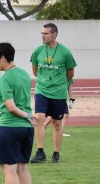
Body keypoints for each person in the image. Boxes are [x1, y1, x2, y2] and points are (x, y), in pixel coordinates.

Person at [0, 42, 37, 184]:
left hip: (10, 127)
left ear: (3, 58)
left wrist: (26, 115)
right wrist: (28, 117)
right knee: (22, 168)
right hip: (26, 129)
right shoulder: (25, 75)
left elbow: (10, 106)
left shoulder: (6, 78)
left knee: (9, 169)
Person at [30, 23, 77, 163]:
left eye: (46, 33)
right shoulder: (38, 51)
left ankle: (56, 153)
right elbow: (35, 70)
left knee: (57, 123)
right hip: (41, 90)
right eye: (42, 33)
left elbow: (70, 74)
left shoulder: (65, 52)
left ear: (54, 34)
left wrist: (59, 84)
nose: (42, 36)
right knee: (39, 118)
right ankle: (40, 152)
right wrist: (45, 81)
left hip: (58, 93)